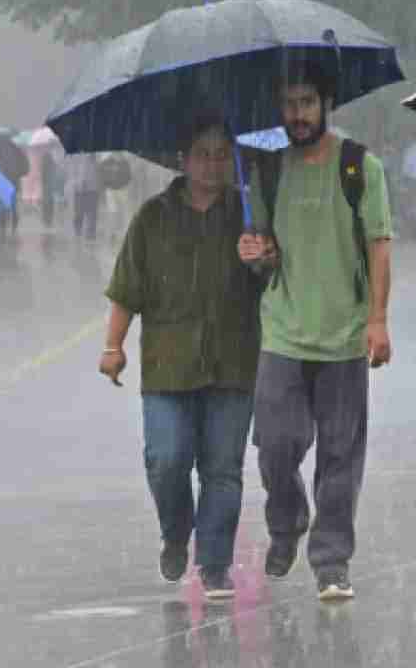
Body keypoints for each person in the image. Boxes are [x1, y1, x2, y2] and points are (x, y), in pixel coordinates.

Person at [237, 58, 394, 601]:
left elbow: (379, 244)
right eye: (289, 104)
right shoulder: (268, 170)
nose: (298, 114)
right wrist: (255, 252)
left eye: (307, 103)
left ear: (326, 105)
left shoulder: (359, 167)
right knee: (275, 448)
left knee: (340, 457)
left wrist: (376, 319)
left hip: (344, 336)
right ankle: (287, 520)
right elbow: (262, 254)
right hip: (282, 333)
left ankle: (331, 560)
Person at [101, 111, 263, 600]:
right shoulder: (152, 218)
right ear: (183, 159)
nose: (212, 165)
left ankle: (214, 565)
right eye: (203, 155)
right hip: (167, 367)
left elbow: (275, 282)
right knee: (166, 460)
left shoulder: (250, 213)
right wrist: (113, 346)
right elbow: (126, 289)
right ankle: (176, 533)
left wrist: (263, 261)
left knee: (223, 470)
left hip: (233, 363)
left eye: (221, 155)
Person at [67, 153, 101, 240]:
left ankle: (90, 236)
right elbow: (71, 169)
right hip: (79, 189)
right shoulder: (75, 154)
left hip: (92, 188)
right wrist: (75, 182)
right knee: (78, 213)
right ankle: (77, 234)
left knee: (92, 214)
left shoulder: (96, 154)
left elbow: (100, 169)